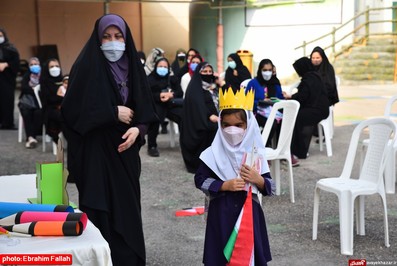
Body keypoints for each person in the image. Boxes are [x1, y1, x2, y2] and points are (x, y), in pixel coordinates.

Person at [61, 14, 157, 265]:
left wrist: (139, 130)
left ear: (126, 39)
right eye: (106, 37)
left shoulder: (134, 67)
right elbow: (71, 113)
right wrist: (111, 113)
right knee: (99, 211)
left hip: (125, 153)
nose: (112, 42)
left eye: (118, 37)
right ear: (98, 39)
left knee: (127, 212)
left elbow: (146, 110)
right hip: (95, 155)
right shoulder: (85, 67)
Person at [195, 87, 273, 265]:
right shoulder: (212, 154)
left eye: (238, 125)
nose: (232, 130)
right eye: (226, 125)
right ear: (220, 124)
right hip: (221, 213)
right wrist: (224, 185)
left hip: (250, 214)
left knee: (251, 254)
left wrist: (258, 179)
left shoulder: (256, 154)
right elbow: (200, 180)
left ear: (249, 125)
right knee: (221, 255)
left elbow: (271, 186)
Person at [283, 57, 329, 162]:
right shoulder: (313, 76)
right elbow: (304, 95)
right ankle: (298, 150)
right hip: (321, 109)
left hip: (317, 110)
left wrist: (290, 98)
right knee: (299, 116)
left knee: (296, 117)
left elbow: (302, 97)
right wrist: (292, 97)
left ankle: (299, 152)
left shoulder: (309, 79)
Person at [181, 62, 218, 173]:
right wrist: (209, 115)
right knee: (214, 129)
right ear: (198, 73)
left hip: (215, 118)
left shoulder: (213, 87)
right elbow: (198, 107)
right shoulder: (195, 88)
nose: (207, 74)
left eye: (210, 72)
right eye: (204, 71)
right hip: (199, 122)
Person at [147, 57, 183, 157]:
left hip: (171, 105)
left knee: (183, 116)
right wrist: (159, 96)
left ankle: (184, 143)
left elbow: (180, 92)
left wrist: (172, 95)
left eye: (165, 67)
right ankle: (152, 146)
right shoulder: (150, 79)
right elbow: (147, 95)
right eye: (160, 66)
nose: (163, 68)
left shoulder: (172, 79)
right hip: (157, 105)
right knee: (155, 118)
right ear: (155, 67)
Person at [247, 58, 284, 131]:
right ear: (260, 70)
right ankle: (265, 142)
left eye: (270, 70)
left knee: (286, 122)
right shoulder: (253, 83)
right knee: (272, 123)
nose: (267, 72)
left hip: (275, 111)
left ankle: (280, 142)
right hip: (257, 112)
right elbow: (247, 101)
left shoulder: (275, 82)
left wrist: (277, 100)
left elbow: (280, 98)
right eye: (265, 70)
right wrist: (260, 101)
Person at [18, 57, 42, 148]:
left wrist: (34, 89)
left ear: (39, 65)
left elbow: (44, 89)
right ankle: (31, 137)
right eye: (31, 65)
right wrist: (35, 90)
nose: (34, 66)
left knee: (38, 113)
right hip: (26, 101)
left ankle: (32, 137)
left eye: (36, 64)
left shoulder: (43, 76)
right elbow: (24, 88)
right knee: (26, 112)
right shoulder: (26, 75)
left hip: (40, 102)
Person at [39, 58, 64, 144]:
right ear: (47, 69)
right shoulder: (45, 81)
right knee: (64, 117)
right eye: (52, 66)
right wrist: (62, 97)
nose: (55, 68)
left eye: (57, 66)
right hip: (50, 109)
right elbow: (49, 99)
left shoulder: (64, 80)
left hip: (64, 107)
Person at [0, 28, 20, 129]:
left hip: (7, 79)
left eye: (0, 36)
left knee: (7, 100)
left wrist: (6, 64)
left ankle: (8, 123)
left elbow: (17, 63)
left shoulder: (10, 48)